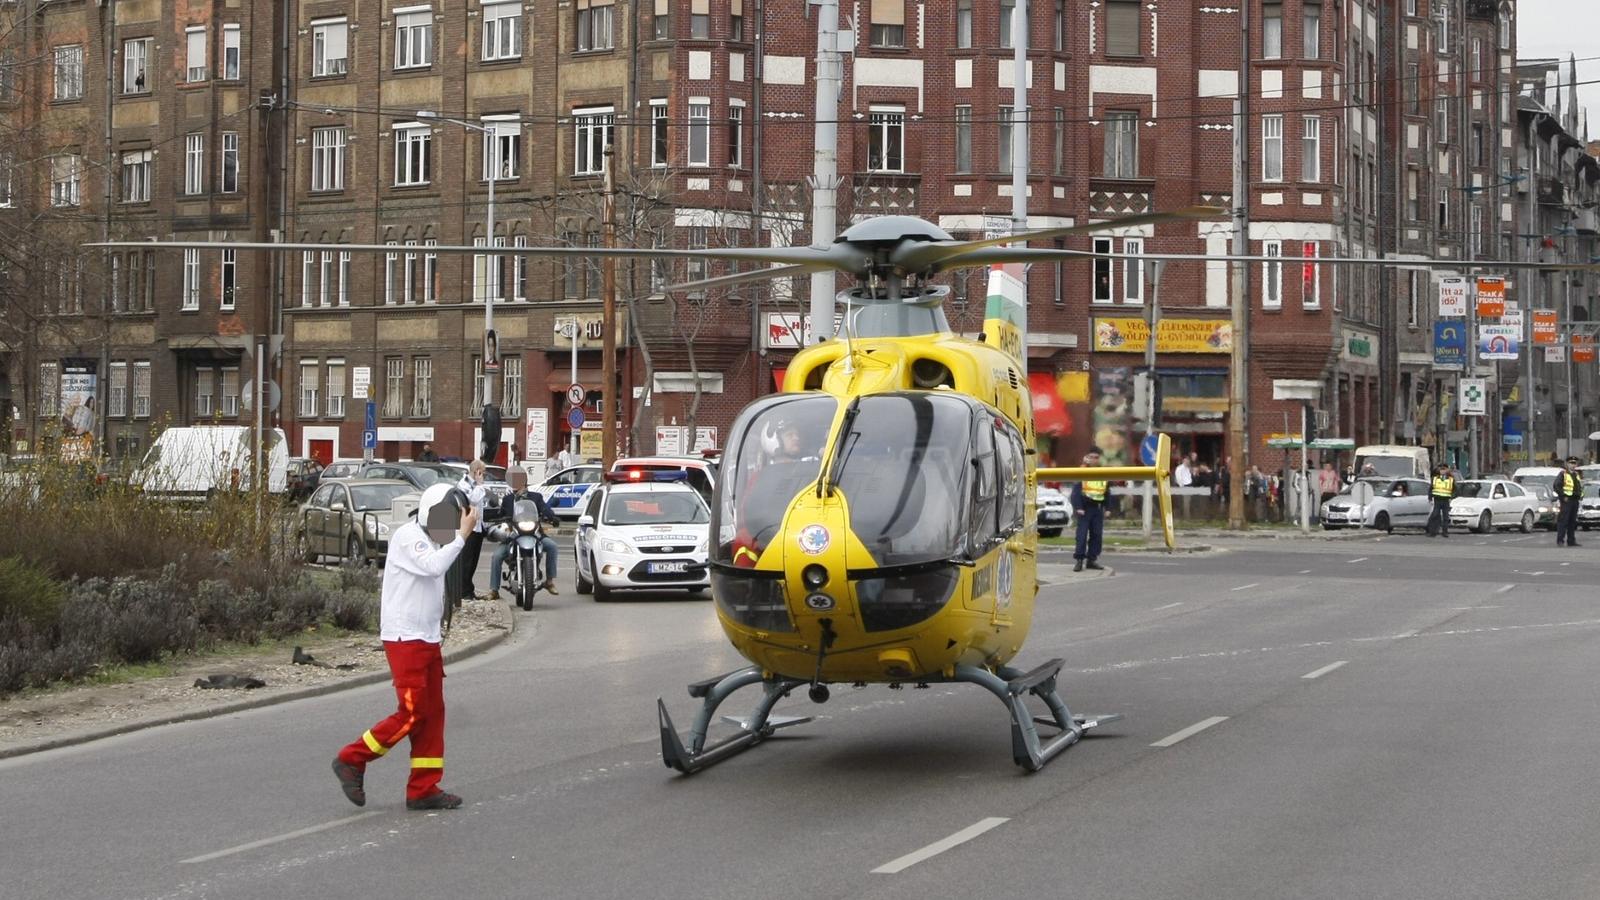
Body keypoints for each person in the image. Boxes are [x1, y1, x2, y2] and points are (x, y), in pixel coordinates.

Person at [332, 483, 477, 811]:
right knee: (412, 713)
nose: (453, 526)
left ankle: (423, 788)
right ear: (431, 515)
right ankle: (352, 758)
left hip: (425, 638)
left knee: (432, 715)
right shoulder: (409, 537)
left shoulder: (431, 538)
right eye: (448, 519)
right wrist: (462, 536)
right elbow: (434, 567)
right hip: (405, 639)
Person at [488, 470, 561, 598]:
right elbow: (501, 513)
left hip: (534, 533)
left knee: (552, 546)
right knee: (497, 556)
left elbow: (544, 509)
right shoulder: (508, 499)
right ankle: (494, 590)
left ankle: (549, 581)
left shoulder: (536, 497)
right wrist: (495, 517)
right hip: (513, 535)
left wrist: (552, 517)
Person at [449, 460, 490, 602]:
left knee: (473, 561)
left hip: (478, 526)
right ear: (477, 471)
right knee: (466, 561)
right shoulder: (464, 484)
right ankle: (463, 591)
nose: (484, 475)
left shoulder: (477, 485)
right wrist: (479, 484)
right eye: (483, 472)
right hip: (468, 527)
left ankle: (469, 589)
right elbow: (472, 500)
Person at [1070, 447, 1108, 572]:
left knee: (1097, 535)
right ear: (1087, 458)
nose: (1094, 460)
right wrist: (1078, 507)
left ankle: (1092, 560)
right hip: (1085, 509)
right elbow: (1076, 491)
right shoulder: (1082, 471)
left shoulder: (1102, 472)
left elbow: (1107, 491)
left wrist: (1107, 507)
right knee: (1081, 535)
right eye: (1091, 457)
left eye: (1096, 457)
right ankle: (1079, 560)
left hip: (1097, 509)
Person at [1554, 455, 1583, 547]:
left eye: (1574, 463)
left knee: (1572, 522)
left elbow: (1578, 487)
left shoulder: (1576, 475)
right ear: (1567, 464)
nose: (1573, 465)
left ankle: (1571, 540)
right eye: (1571, 463)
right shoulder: (1563, 474)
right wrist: (1563, 496)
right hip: (1567, 501)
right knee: (1563, 521)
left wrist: (1581, 496)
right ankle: (1560, 540)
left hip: (1575, 500)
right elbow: (1556, 486)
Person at [1425, 463, 1455, 538]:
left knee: (1445, 517)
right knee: (1435, 516)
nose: (1442, 471)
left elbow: (1455, 489)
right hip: (1437, 500)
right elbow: (1431, 488)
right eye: (1441, 469)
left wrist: (1452, 496)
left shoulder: (1451, 479)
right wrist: (1430, 497)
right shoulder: (1435, 478)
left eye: (1444, 469)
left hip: (1445, 500)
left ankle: (1445, 532)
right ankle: (1433, 532)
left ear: (1447, 470)